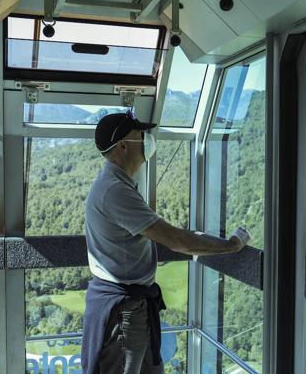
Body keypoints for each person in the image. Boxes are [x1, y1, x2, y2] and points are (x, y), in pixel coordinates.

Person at [81, 111, 250, 374]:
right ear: (124, 146)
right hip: (124, 311)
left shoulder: (117, 184)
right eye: (141, 135)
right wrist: (231, 246)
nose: (147, 140)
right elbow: (176, 240)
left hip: (131, 305)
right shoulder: (115, 191)